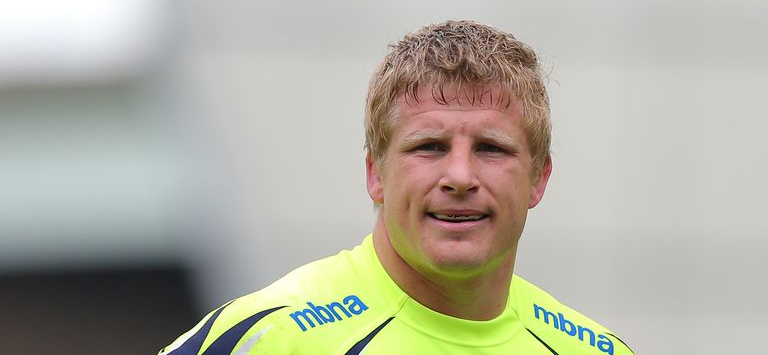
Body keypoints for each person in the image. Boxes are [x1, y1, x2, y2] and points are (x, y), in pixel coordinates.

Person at [159, 21, 634, 354]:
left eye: (491, 148)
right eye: (429, 146)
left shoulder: (591, 350)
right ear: (375, 173)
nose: (460, 177)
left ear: (539, 178)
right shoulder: (271, 338)